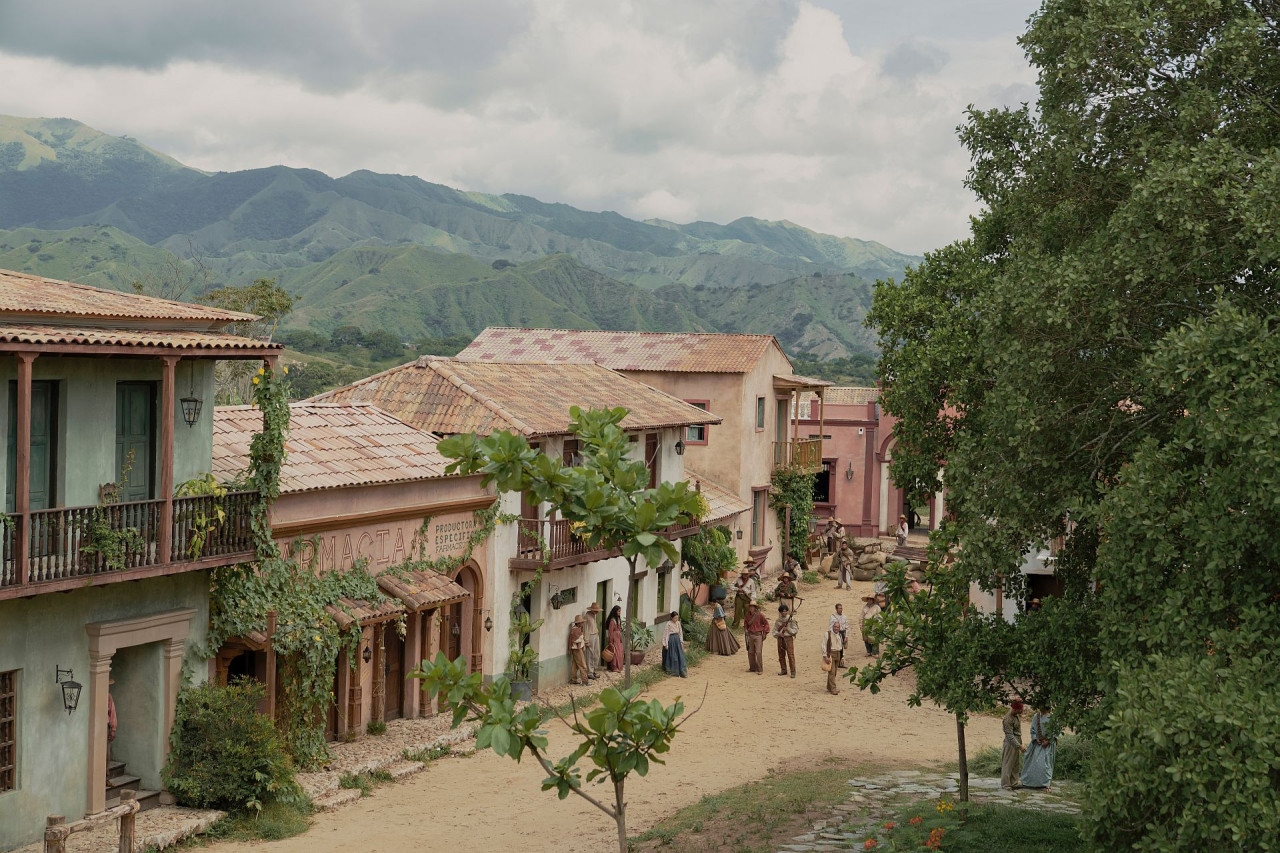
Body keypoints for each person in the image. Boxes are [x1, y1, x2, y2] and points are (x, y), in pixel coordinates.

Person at [1020, 706, 1056, 789]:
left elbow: (1055, 731)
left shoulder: (1053, 718)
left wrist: (1048, 741)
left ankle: (1044, 783)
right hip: (1037, 744)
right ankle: (1029, 782)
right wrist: (1035, 738)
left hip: (1047, 745)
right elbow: (1032, 729)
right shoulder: (1036, 716)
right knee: (1031, 762)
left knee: (1044, 765)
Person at [1001, 701, 1025, 789]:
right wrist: (1019, 746)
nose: (1022, 710)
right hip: (1011, 742)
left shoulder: (1017, 716)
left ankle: (1014, 782)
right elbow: (1009, 735)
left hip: (1017, 739)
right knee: (1008, 763)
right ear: (1016, 709)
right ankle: (1006, 784)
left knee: (1015, 763)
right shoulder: (1008, 719)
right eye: (1021, 709)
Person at [744, 601, 771, 674]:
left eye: (753, 606)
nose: (751, 608)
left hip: (758, 635)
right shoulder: (747, 615)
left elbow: (766, 624)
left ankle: (760, 669)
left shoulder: (760, 615)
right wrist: (746, 630)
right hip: (750, 635)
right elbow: (746, 624)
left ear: (755, 608)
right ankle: (752, 668)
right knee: (750, 652)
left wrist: (765, 633)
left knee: (758, 652)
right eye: (750, 606)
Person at [772, 603, 798, 678]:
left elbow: (795, 630)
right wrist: (778, 634)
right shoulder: (778, 621)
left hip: (788, 638)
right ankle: (783, 670)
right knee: (781, 655)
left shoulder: (791, 620)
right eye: (782, 611)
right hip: (780, 639)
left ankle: (793, 671)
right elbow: (774, 631)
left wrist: (788, 629)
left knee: (790, 655)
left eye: (785, 611)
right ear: (780, 612)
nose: (784, 613)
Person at [661, 612, 688, 677]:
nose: (676, 619)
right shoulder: (668, 624)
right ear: (671, 617)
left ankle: (682, 671)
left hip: (677, 640)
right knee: (673, 655)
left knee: (680, 655)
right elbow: (666, 634)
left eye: (677, 618)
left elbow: (680, 632)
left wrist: (681, 641)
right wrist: (666, 644)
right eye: (675, 618)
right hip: (671, 640)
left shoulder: (678, 623)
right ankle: (672, 670)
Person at [822, 622, 845, 695]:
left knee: (834, 672)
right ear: (833, 627)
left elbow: (842, 647)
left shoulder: (840, 635)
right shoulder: (827, 634)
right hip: (831, 654)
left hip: (838, 653)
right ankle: (833, 688)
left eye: (837, 627)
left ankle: (829, 687)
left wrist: (842, 657)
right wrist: (825, 656)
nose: (836, 628)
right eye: (835, 627)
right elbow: (823, 646)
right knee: (832, 672)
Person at [583, 602, 602, 679]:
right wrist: (586, 640)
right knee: (590, 654)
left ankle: (593, 669)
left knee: (596, 653)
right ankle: (590, 672)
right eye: (596, 610)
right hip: (590, 636)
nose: (597, 612)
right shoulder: (587, 616)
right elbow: (585, 629)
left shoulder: (594, 615)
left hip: (595, 634)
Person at [568, 615, 589, 685]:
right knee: (583, 665)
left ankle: (573, 679)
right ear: (579, 623)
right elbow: (578, 642)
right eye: (582, 622)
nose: (583, 623)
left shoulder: (575, 629)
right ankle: (585, 681)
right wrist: (581, 649)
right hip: (577, 649)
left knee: (575, 665)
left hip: (575, 649)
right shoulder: (576, 630)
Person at [605, 605, 624, 672]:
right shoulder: (612, 621)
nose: (619, 613)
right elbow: (610, 631)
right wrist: (610, 641)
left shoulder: (618, 619)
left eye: (620, 611)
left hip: (618, 638)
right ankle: (614, 666)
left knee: (619, 651)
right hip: (614, 638)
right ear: (615, 612)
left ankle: (619, 666)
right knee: (614, 652)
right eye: (618, 611)